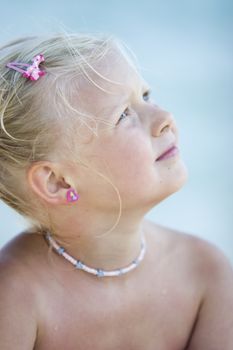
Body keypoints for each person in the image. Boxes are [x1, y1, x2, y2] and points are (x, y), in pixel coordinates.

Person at [0, 33, 232, 350]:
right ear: (58, 182)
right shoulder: (14, 298)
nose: (165, 118)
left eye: (146, 96)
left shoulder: (206, 272)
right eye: (123, 115)